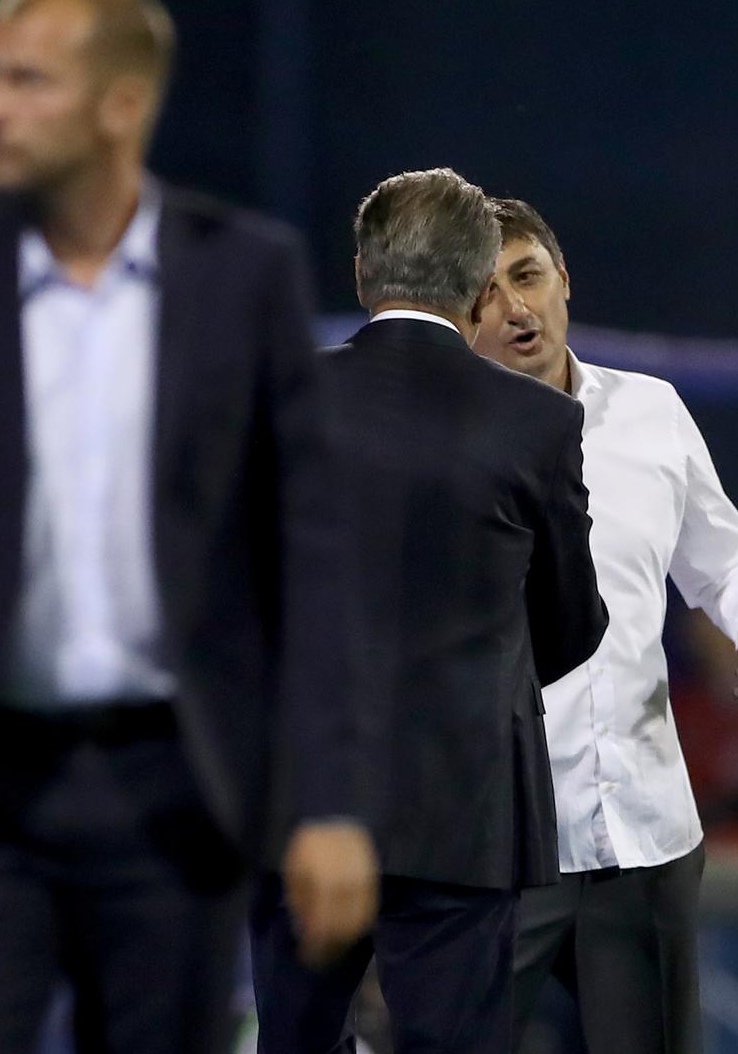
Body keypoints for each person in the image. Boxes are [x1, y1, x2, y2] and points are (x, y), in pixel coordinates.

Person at [0, 0, 378, 1052]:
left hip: (177, 793)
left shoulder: (245, 277)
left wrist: (329, 804)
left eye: (25, 81)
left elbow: (308, 563)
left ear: (119, 107)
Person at [249, 169, 608, 1053]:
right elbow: (570, 626)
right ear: (482, 288)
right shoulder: (537, 423)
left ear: (362, 273)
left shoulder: (277, 397)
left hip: (302, 793)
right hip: (464, 807)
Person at [470, 197, 738, 1054]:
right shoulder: (434, 438)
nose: (514, 307)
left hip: (642, 838)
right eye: (484, 292)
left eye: (526, 276)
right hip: (491, 846)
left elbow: (727, 558)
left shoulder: (651, 412)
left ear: (563, 279)